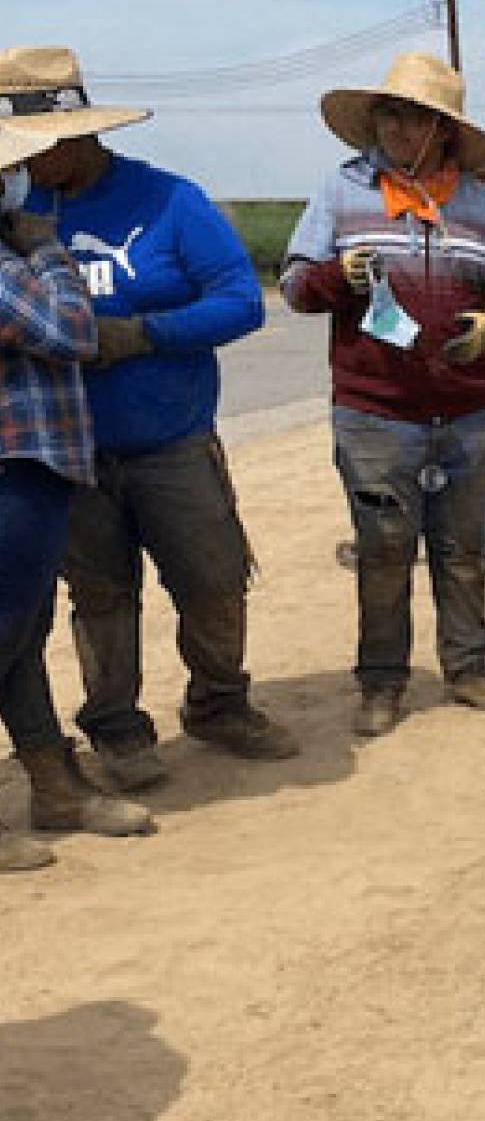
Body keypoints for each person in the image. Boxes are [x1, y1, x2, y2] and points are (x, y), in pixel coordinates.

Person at [11, 47, 295, 791]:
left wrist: (142, 334)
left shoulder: (170, 200)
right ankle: (116, 727)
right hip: (67, 457)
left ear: (84, 133)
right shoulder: (15, 216)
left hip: (172, 439)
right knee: (100, 596)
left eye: (41, 149)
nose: (31, 165)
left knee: (212, 581)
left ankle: (218, 702)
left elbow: (239, 299)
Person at [282, 52, 485, 735]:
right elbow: (295, 288)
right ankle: (382, 682)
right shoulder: (341, 194)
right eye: (389, 115)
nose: (399, 129)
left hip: (469, 407)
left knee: (462, 550)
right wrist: (337, 276)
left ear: (445, 130)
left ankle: (468, 669)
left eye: (416, 117)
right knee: (384, 549)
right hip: (375, 412)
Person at [0, 122, 152, 867]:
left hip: (33, 466)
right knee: (5, 636)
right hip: (11, 466)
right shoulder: (16, 257)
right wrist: (48, 248)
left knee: (22, 637)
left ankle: (54, 786)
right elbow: (70, 329)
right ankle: (53, 783)